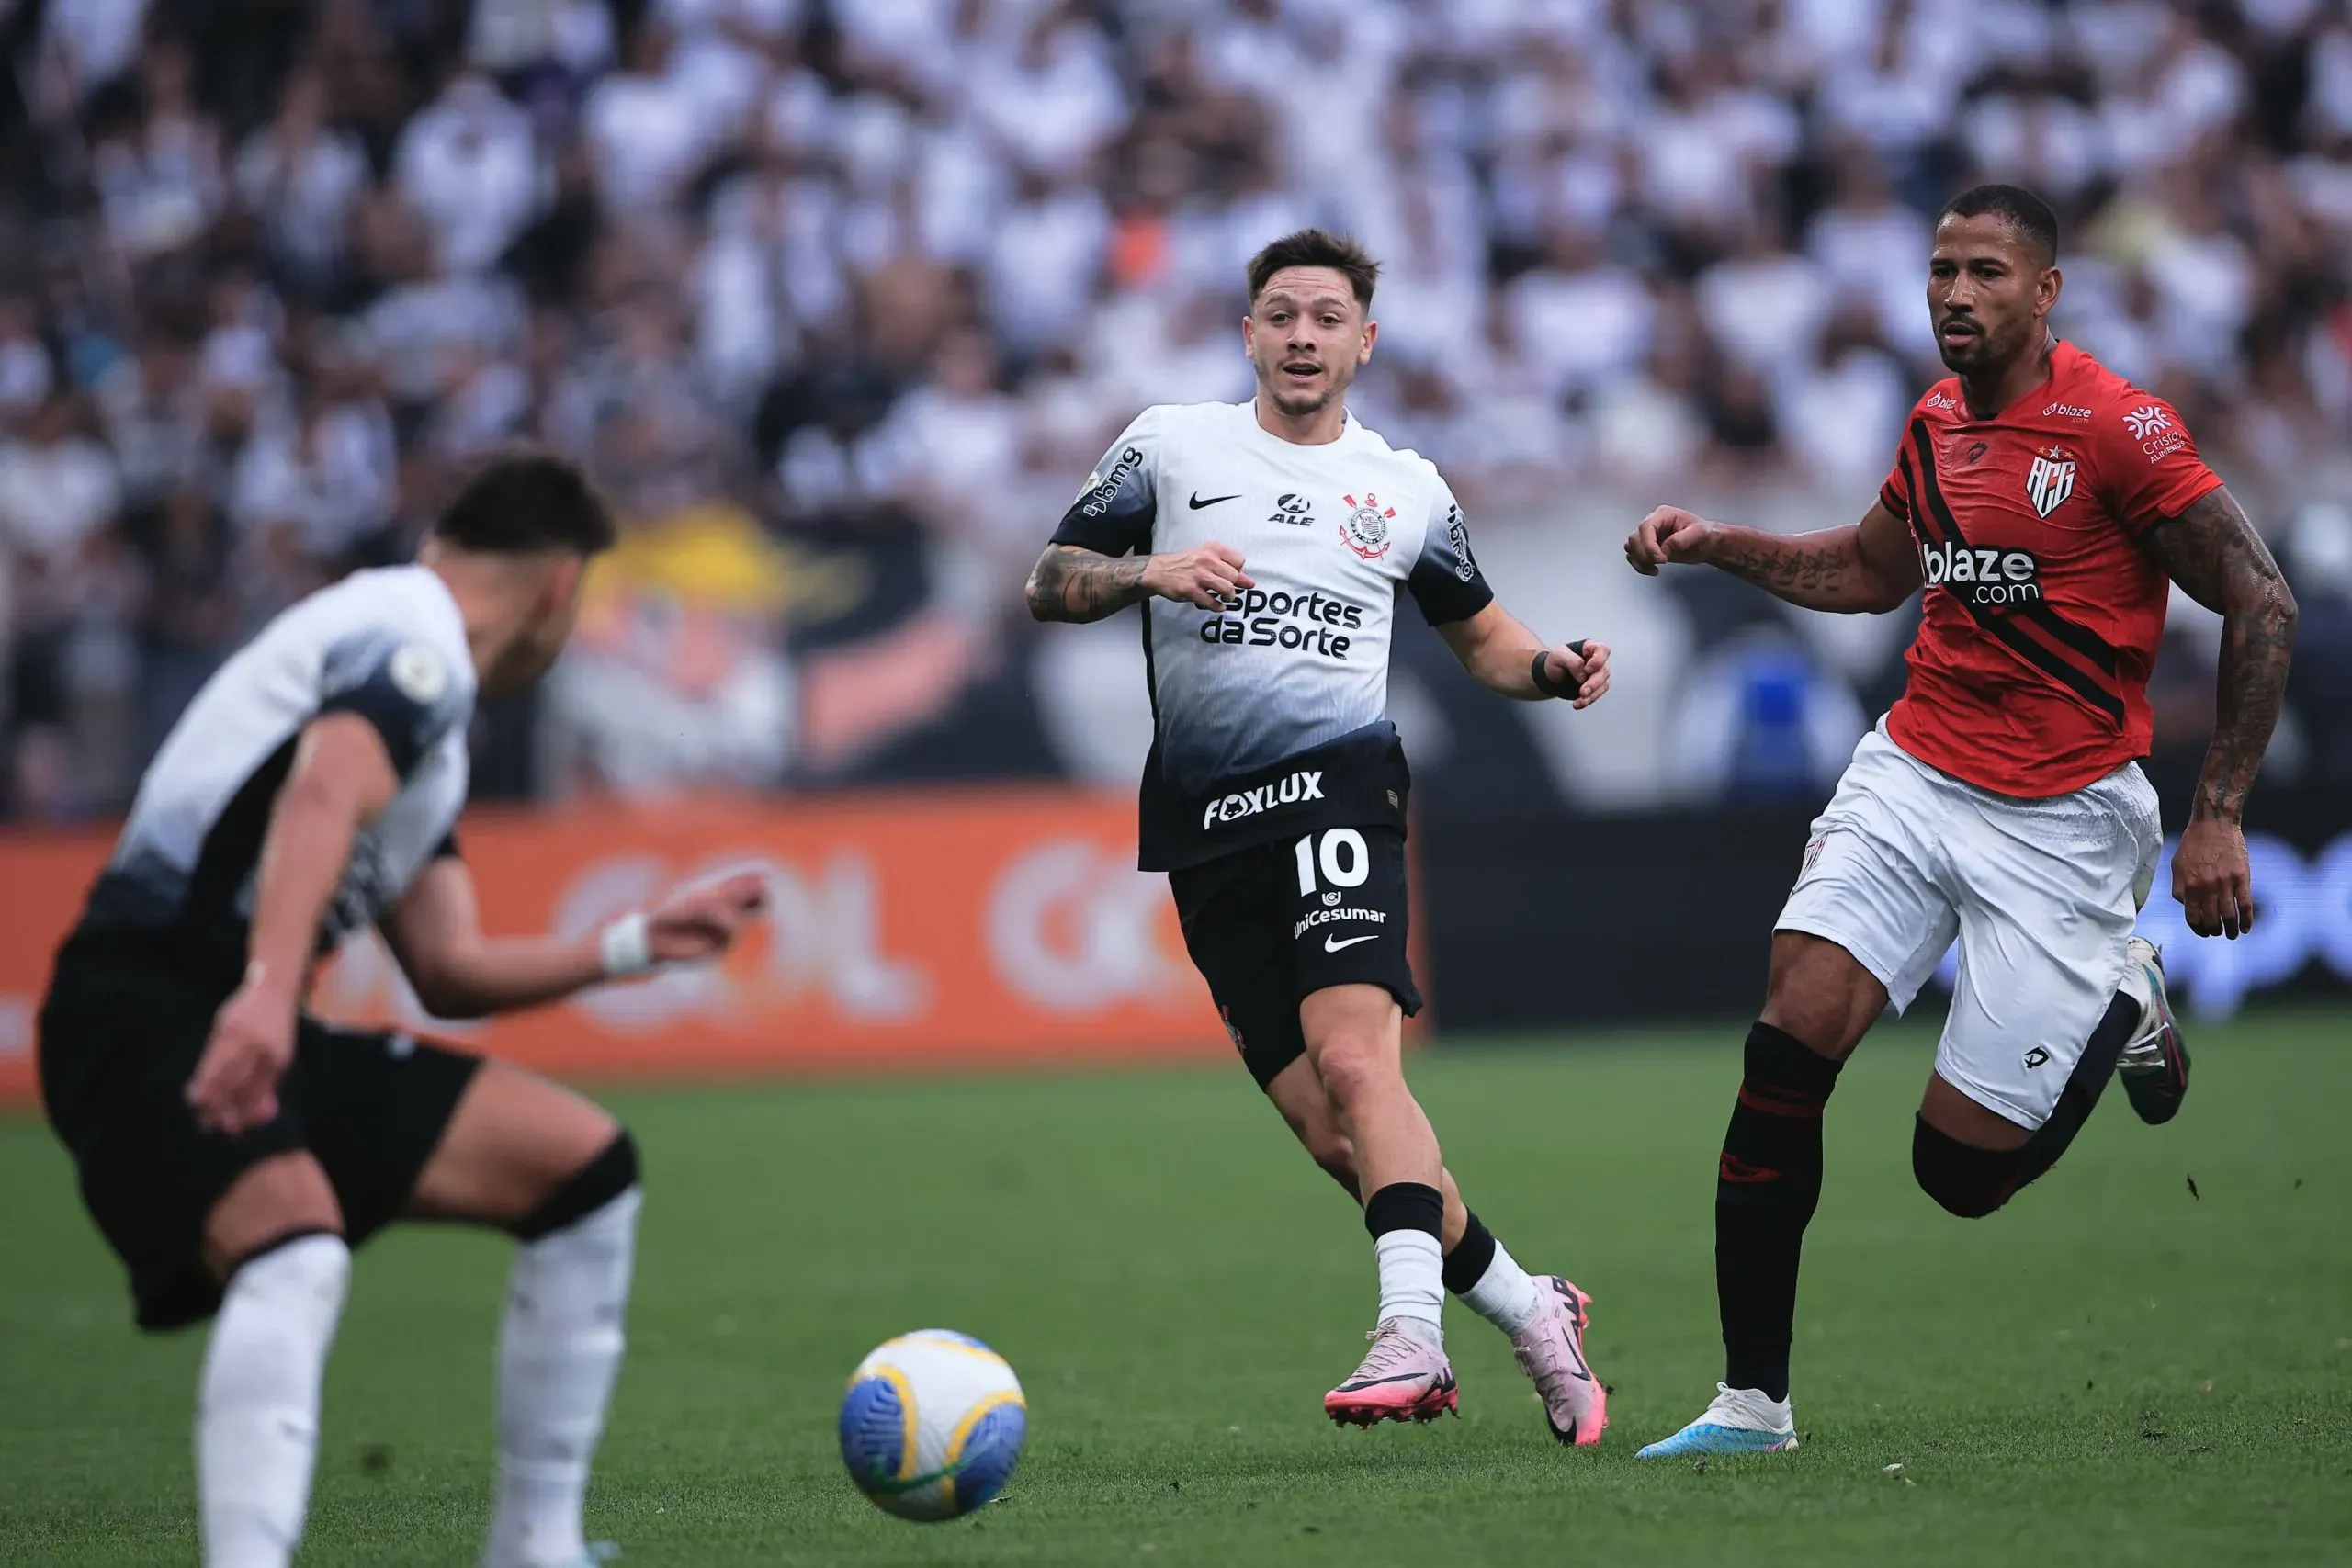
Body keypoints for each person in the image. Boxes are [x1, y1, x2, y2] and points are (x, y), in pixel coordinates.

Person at [1621, 185, 2297, 1457]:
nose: (1954, 294)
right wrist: (1721, 543)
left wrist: (2217, 812)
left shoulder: (2117, 427)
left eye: (1986, 272)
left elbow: (2263, 600)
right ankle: (1751, 1403)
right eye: (1941, 270)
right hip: (1916, 771)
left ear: (2045, 292)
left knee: (1960, 1175)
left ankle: (2122, 998)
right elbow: (1875, 572)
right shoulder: (1935, 419)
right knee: (1789, 1038)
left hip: (2063, 816)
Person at [37, 452, 768, 1567]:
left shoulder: (421, 708)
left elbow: (446, 967)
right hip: (142, 1007)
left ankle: (536, 1547)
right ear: (561, 586)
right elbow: (325, 788)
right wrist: (272, 994)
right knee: (294, 1251)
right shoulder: (411, 642)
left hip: (228, 1008)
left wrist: (632, 945)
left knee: (583, 1172)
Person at [1024, 229, 1615, 1441]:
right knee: (1323, 1121)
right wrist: (1151, 572)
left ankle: (1412, 1331)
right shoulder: (1171, 443)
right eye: (1281, 313)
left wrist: (1551, 665)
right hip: (1204, 820)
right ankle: (1528, 1302)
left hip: (1340, 788)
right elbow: (1049, 577)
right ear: (1248, 333)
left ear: (1365, 342)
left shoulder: (1405, 484)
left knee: (1360, 1063)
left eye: (1326, 316)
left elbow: (1485, 637)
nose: (1303, 335)